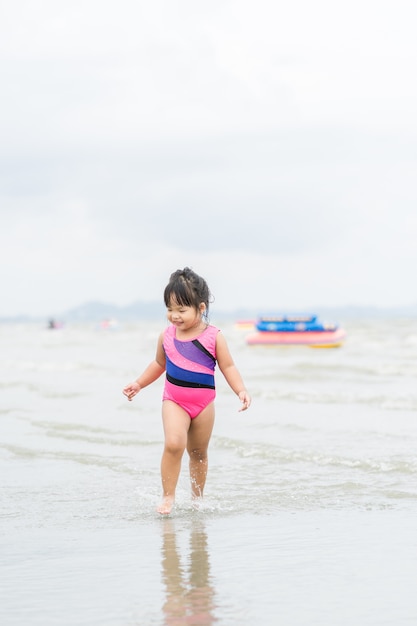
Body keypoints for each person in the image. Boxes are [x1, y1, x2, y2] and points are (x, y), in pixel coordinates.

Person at [123, 267, 251, 515]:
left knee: (199, 453)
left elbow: (228, 366)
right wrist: (139, 383)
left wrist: (241, 390)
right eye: (170, 309)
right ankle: (168, 497)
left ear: (201, 308)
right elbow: (159, 364)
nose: (174, 316)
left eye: (181, 310)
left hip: (204, 405)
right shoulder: (167, 336)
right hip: (174, 400)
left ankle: (197, 500)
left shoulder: (214, 337)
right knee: (174, 444)